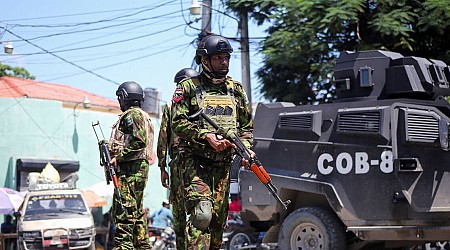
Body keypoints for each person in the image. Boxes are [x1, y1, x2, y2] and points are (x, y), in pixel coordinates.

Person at [171, 34, 254, 249]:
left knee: (218, 223)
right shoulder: (188, 87)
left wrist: (245, 150)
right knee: (202, 215)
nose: (224, 62)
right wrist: (205, 136)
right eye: (218, 58)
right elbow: (177, 123)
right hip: (195, 162)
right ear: (204, 60)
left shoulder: (235, 90)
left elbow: (246, 128)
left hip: (223, 165)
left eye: (226, 58)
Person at [108, 81, 154, 250]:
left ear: (125, 97)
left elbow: (139, 142)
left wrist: (117, 157)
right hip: (137, 170)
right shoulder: (142, 115)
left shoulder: (132, 115)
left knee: (124, 214)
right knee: (137, 213)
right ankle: (142, 246)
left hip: (130, 171)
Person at [157, 67, 199, 250]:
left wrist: (162, 167)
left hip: (179, 165)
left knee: (180, 215)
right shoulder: (203, 105)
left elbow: (163, 138)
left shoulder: (171, 105)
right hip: (200, 166)